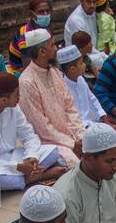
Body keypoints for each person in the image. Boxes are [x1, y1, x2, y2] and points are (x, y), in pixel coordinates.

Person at [0, 71, 66, 193]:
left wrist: (31, 157)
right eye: (17, 94)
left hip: (14, 156)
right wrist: (18, 167)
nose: (19, 98)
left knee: (53, 151)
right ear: (4, 100)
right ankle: (39, 176)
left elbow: (29, 136)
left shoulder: (13, 107)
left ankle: (30, 175)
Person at [18, 28, 87, 165]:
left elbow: (70, 108)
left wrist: (81, 137)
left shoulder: (55, 72)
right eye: (52, 45)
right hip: (48, 142)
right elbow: (42, 128)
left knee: (97, 149)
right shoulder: (27, 82)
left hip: (71, 136)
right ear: (42, 52)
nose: (56, 48)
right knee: (75, 164)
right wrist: (72, 144)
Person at [56, 43, 108, 127]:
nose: (84, 65)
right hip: (78, 127)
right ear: (73, 69)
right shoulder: (62, 88)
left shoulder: (81, 80)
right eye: (81, 63)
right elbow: (72, 119)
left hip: (90, 119)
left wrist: (104, 118)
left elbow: (92, 100)